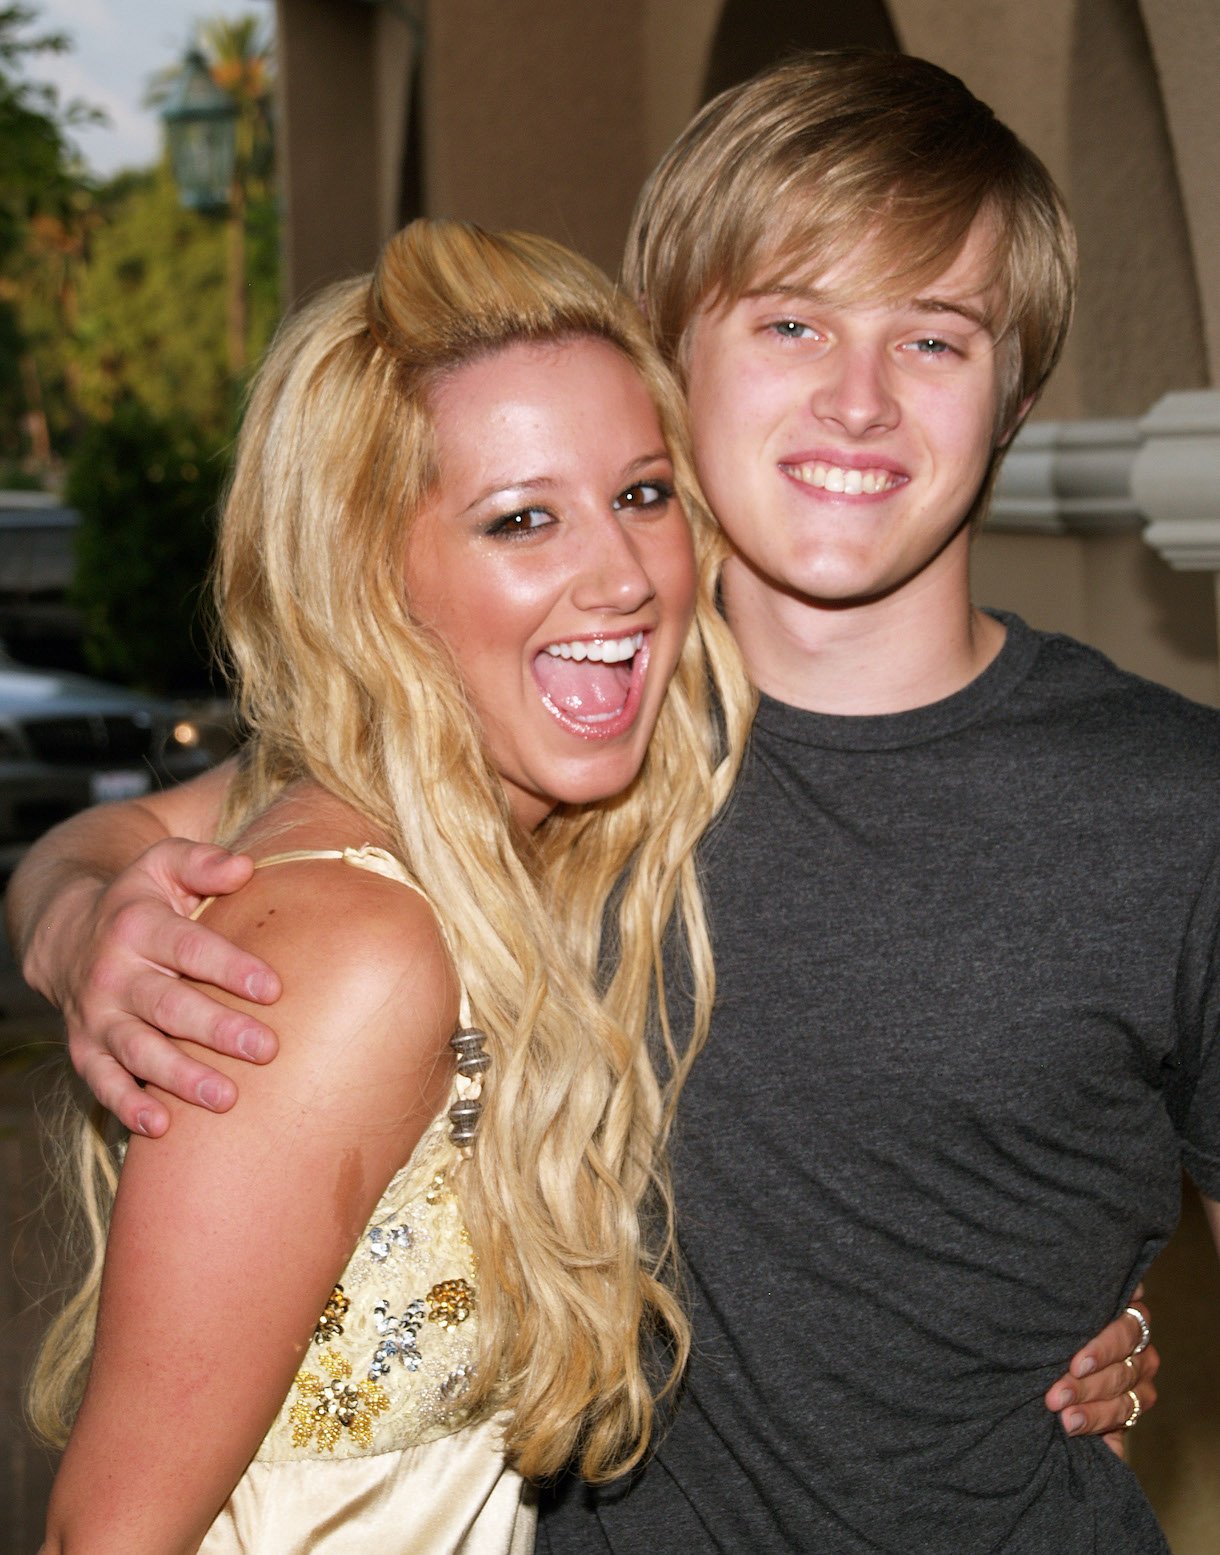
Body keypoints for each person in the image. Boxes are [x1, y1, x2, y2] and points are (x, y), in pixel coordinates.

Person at [10, 51, 1189, 1552]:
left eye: (937, 339)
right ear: (685, 366)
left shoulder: (624, 757)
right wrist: (82, 924)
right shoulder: (464, 831)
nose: (858, 399)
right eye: (790, 323)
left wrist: (1073, 1307)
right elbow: (154, 840)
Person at [24, 217, 754, 1554]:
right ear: (374, 580)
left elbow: (112, 837)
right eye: (521, 518)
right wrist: (76, 925)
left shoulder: (415, 822)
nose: (624, 574)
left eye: (644, 494)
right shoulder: (357, 946)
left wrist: (71, 913)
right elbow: (110, 1538)